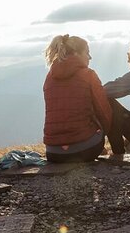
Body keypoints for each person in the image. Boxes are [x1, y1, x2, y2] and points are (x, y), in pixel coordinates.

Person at [43, 34, 113, 163]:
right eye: (87, 52)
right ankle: (118, 150)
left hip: (53, 153)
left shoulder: (49, 77)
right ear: (76, 53)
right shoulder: (88, 74)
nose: (90, 57)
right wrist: (102, 133)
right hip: (85, 150)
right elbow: (104, 112)